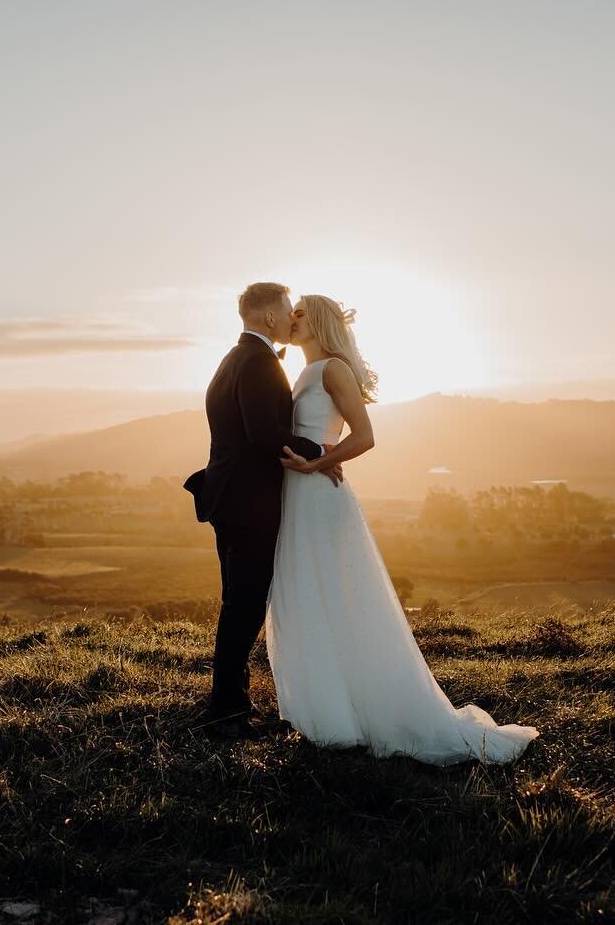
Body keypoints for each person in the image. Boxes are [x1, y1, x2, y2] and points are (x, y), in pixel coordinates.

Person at [266, 294, 539, 765]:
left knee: (336, 596)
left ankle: (364, 713)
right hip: (298, 495)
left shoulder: (333, 368)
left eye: (300, 314)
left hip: (318, 495)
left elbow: (365, 436)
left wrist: (319, 463)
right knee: (307, 595)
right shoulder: (302, 371)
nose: (292, 320)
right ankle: (329, 714)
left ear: (321, 323)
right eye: (291, 314)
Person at [183, 282, 342, 739]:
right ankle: (227, 710)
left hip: (229, 498)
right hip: (248, 502)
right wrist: (320, 450)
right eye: (288, 310)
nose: (293, 317)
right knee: (244, 606)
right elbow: (261, 432)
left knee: (238, 603)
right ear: (270, 317)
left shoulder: (234, 358)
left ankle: (226, 701)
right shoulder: (257, 362)